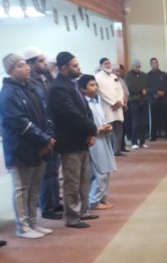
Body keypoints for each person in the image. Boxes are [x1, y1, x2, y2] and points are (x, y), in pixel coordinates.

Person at [0, 54, 55, 239]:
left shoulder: (31, 87)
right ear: (10, 71)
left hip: (39, 146)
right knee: (22, 190)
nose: (27, 68)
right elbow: (20, 123)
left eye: (26, 65)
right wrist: (44, 140)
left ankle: (33, 223)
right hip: (20, 149)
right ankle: (22, 227)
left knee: (34, 188)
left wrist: (48, 137)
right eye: (21, 65)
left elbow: (45, 114)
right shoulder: (8, 93)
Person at [48, 52, 98, 229]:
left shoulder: (73, 84)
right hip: (69, 141)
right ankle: (72, 216)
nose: (78, 68)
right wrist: (91, 128)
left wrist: (91, 130)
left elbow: (85, 109)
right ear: (63, 68)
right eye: (74, 66)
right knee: (72, 181)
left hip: (82, 138)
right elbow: (71, 114)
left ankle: (83, 211)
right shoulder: (58, 88)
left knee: (84, 178)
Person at [23, 46, 62, 221]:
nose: (44, 63)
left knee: (53, 170)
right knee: (45, 172)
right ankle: (46, 207)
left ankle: (54, 202)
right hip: (41, 133)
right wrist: (45, 136)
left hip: (51, 130)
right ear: (30, 64)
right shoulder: (30, 83)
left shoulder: (45, 78)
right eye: (40, 61)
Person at [78, 75, 116, 210]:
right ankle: (94, 200)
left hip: (103, 138)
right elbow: (86, 125)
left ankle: (103, 198)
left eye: (96, 85)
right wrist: (99, 129)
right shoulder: (83, 104)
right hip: (94, 140)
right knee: (99, 171)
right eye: (91, 85)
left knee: (107, 169)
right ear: (83, 89)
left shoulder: (96, 102)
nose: (95, 88)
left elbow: (101, 119)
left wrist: (107, 127)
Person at [95, 57, 126, 156]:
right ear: (101, 65)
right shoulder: (97, 77)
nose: (108, 65)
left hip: (118, 106)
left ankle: (117, 151)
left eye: (109, 63)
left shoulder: (114, 76)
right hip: (108, 106)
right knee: (108, 130)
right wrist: (113, 103)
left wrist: (120, 102)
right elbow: (101, 92)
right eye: (106, 63)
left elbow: (120, 90)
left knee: (119, 129)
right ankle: (108, 152)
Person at [146, 57, 167, 141]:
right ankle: (153, 136)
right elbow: (147, 88)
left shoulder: (164, 74)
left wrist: (163, 92)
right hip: (154, 99)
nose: (155, 64)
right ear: (151, 65)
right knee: (154, 119)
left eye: (156, 62)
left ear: (158, 64)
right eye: (153, 63)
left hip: (164, 99)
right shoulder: (148, 75)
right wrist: (156, 92)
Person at [125, 59, 149, 149]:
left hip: (144, 101)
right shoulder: (128, 76)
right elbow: (130, 89)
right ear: (132, 67)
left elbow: (148, 86)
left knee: (144, 122)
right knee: (136, 123)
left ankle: (142, 142)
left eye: (139, 66)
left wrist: (146, 90)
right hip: (134, 101)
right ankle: (134, 142)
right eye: (136, 67)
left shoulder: (144, 75)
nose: (138, 68)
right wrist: (141, 91)